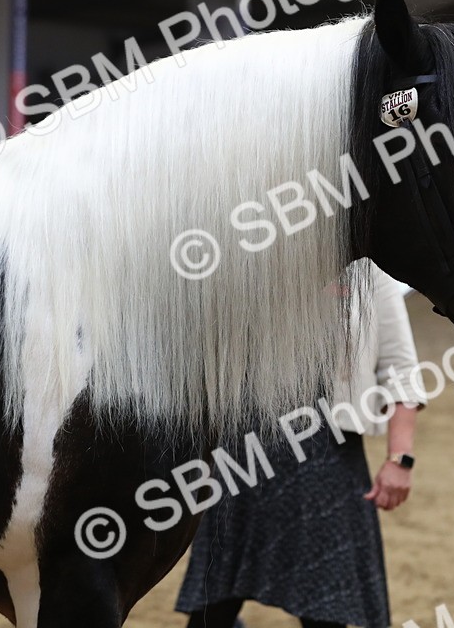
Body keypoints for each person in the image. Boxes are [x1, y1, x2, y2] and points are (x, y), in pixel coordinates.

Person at [175, 263, 425, 628]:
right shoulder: (256, 260)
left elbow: (401, 373)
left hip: (329, 458)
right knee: (212, 612)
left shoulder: (371, 274)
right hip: (244, 450)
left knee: (326, 613)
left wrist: (400, 460)